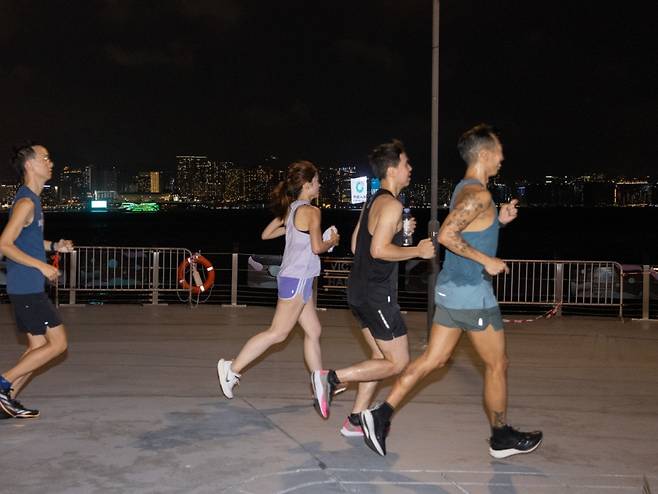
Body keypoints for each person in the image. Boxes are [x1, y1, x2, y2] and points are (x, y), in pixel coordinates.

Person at [360, 124, 543, 458]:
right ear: (484, 154)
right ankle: (500, 436)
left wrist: (499, 221)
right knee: (498, 364)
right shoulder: (478, 195)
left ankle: (379, 415)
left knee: (435, 359)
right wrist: (487, 261)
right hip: (471, 293)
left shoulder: (465, 189)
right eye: (498, 151)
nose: (502, 158)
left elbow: (469, 229)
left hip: (451, 290)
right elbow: (446, 235)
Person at [312, 139, 435, 435]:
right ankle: (331, 379)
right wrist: (417, 250)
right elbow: (378, 250)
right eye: (406, 163)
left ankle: (356, 420)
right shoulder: (392, 204)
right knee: (399, 362)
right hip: (378, 294)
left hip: (358, 292)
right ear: (392, 170)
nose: (410, 168)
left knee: (381, 359)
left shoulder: (373, 201)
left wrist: (397, 232)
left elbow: (358, 245)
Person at [216, 160, 340, 417]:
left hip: (298, 279)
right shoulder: (312, 212)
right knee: (278, 333)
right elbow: (317, 247)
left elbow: (266, 233)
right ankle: (232, 368)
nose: (320, 185)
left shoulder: (293, 209)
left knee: (314, 330)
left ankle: (320, 384)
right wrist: (332, 240)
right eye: (317, 181)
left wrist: (290, 227)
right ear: (307, 185)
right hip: (298, 279)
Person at [0, 143, 73, 419]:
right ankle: (3, 383)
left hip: (26, 286)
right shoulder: (26, 202)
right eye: (45, 158)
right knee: (58, 344)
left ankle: (6, 401)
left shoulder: (32, 200)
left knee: (38, 348)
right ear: (29, 165)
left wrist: (54, 246)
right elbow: (4, 244)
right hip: (27, 287)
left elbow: (26, 241)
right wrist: (42, 266)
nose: (50, 162)